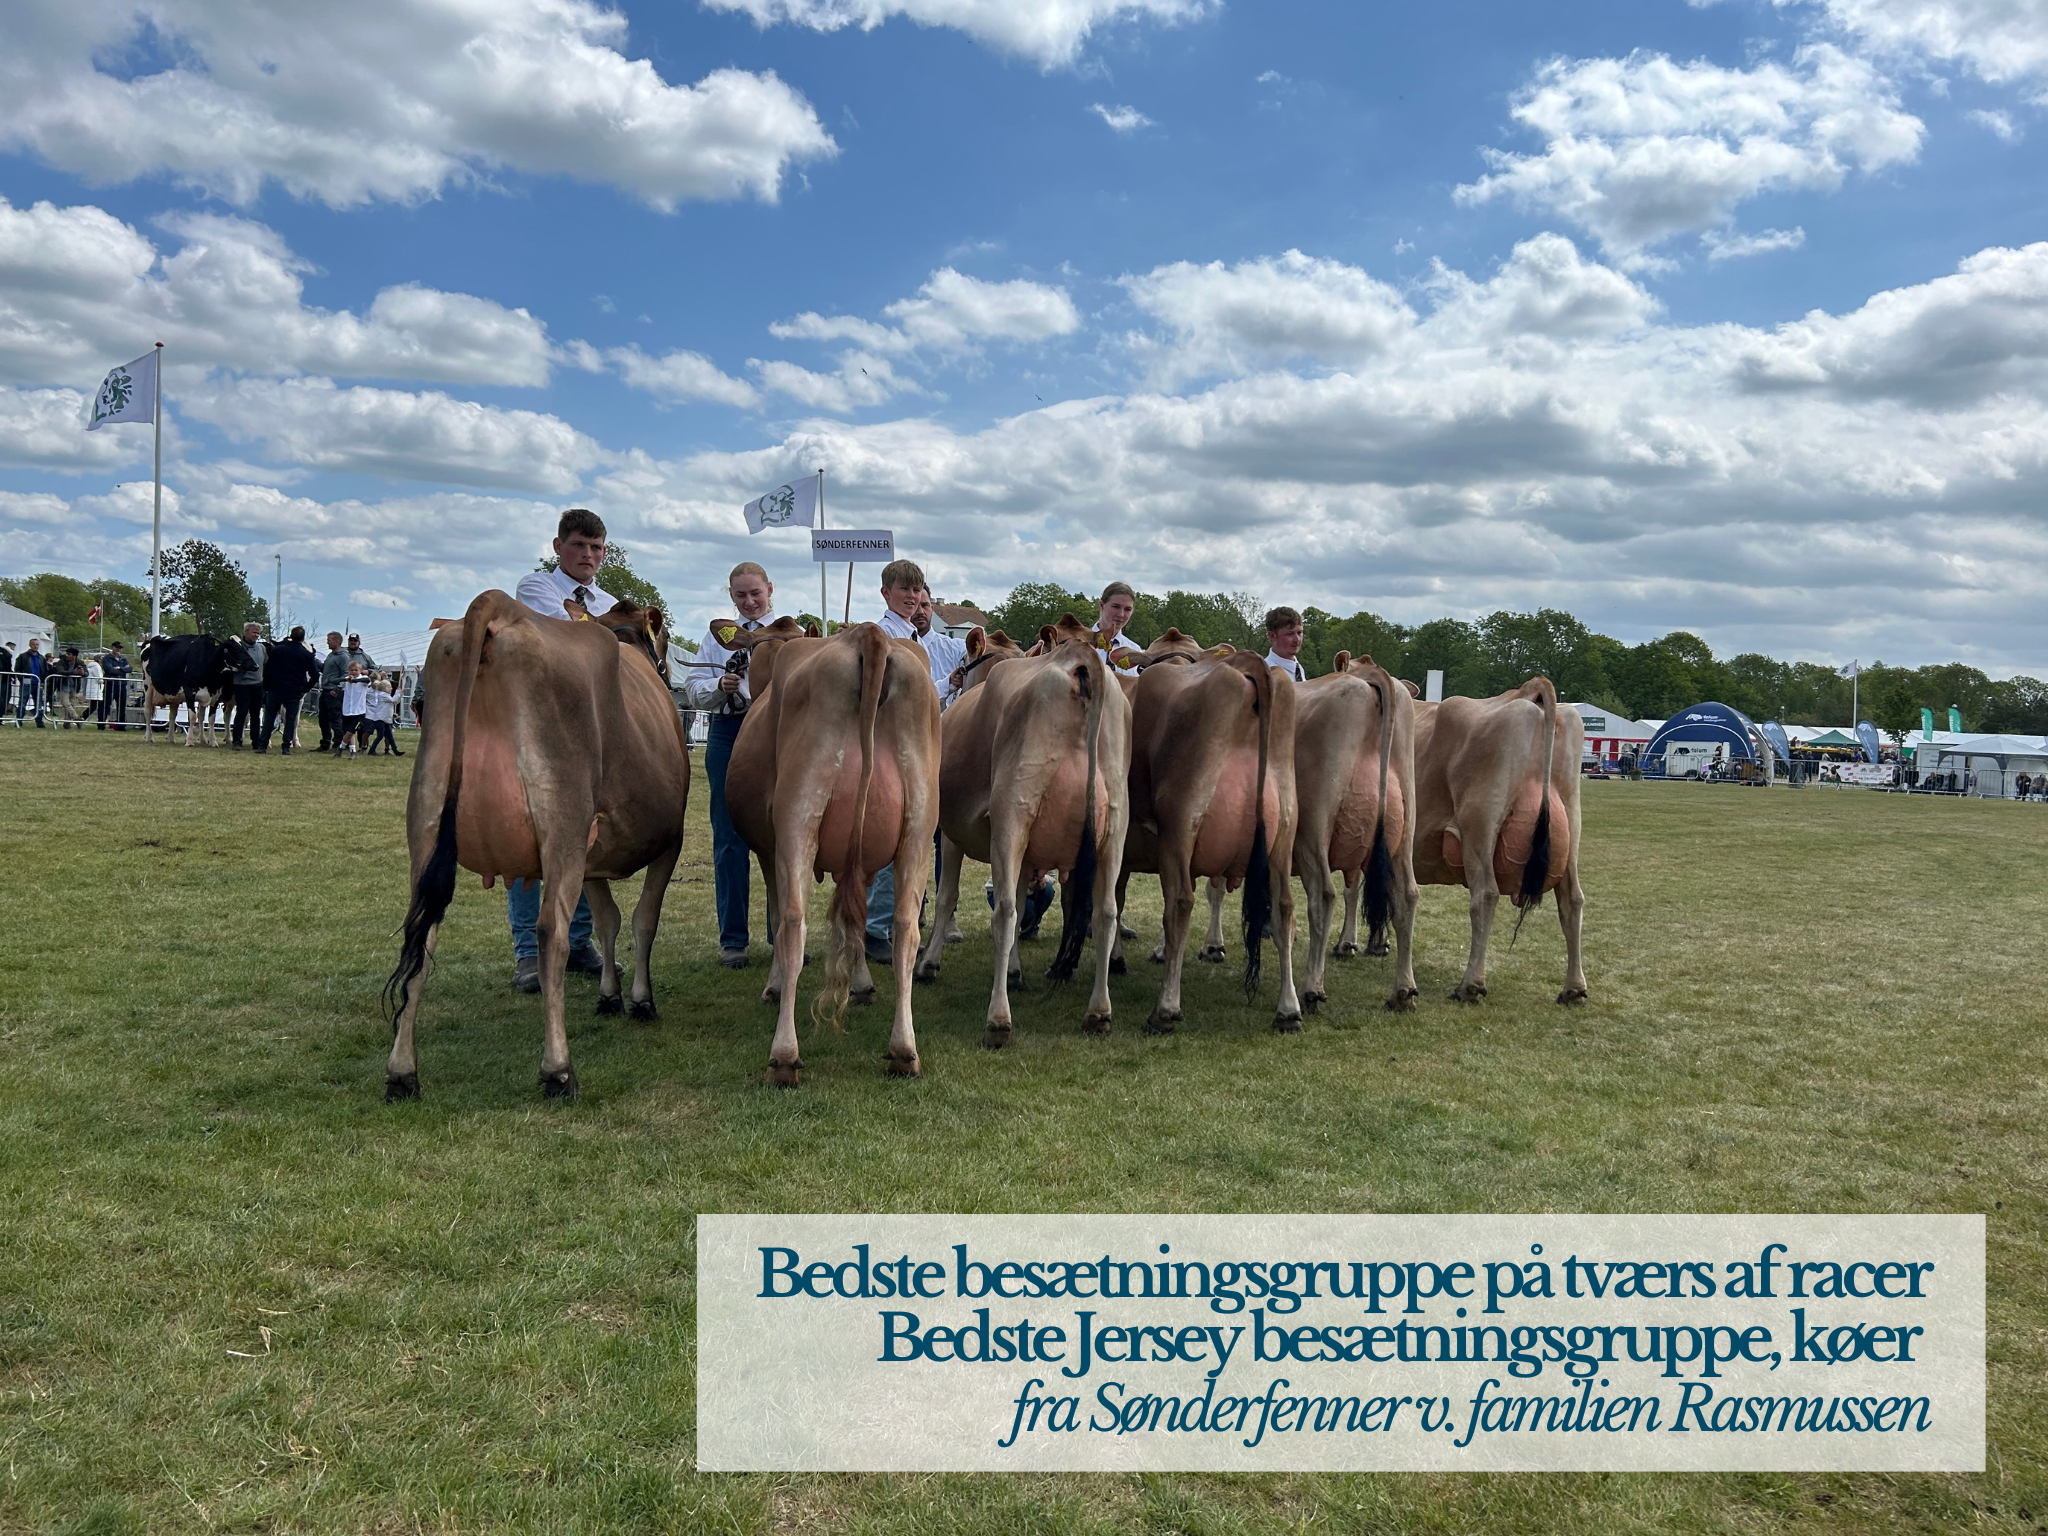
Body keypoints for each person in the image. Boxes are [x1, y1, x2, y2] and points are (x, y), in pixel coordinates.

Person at [503, 507, 613, 991]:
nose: (588, 555)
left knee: (584, 838)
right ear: (557, 548)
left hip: (587, 734)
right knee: (531, 842)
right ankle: (529, 950)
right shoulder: (536, 588)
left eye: (596, 548)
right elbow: (567, 638)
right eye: (578, 546)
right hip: (538, 730)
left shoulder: (607, 600)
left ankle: (579, 939)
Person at [863, 561, 968, 964]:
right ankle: (878, 928)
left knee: (912, 840)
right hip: (892, 746)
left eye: (917, 590)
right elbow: (900, 694)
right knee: (897, 837)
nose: (911, 597)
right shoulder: (884, 635)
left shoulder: (910, 635)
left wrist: (946, 685)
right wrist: (945, 686)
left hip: (910, 747)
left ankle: (897, 923)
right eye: (903, 589)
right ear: (885, 592)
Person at [685, 561, 779, 968]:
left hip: (775, 731)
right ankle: (733, 940)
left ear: (770, 589)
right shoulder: (716, 637)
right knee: (728, 837)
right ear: (731, 596)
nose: (750, 601)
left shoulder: (788, 633)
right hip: (727, 729)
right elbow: (692, 688)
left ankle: (785, 934)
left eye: (756, 593)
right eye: (741, 595)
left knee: (783, 834)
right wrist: (715, 687)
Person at [258, 626, 319, 755]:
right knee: (290, 719)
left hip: (275, 688)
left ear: (290, 635)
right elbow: (315, 675)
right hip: (294, 690)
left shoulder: (277, 650)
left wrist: (267, 687)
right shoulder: (306, 654)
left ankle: (262, 745)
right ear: (303, 638)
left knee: (269, 717)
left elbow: (267, 670)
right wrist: (305, 689)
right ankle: (286, 746)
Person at [229, 621, 267, 749]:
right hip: (242, 685)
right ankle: (237, 741)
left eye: (258, 633)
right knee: (241, 713)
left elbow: (266, 663)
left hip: (258, 685)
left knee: (256, 715)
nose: (256, 635)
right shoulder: (237, 648)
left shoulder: (262, 648)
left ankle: (256, 741)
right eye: (254, 632)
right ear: (246, 632)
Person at [1094, 581, 1144, 674]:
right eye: (1116, 607)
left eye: (1127, 609)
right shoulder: (1078, 645)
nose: (1121, 614)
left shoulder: (1135, 651)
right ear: (1101, 605)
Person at [317, 631, 348, 750]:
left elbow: (345, 674)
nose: (327, 642)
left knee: (335, 719)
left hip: (333, 691)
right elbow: (324, 668)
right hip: (325, 690)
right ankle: (325, 743)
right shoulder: (331, 655)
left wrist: (337, 689)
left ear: (337, 641)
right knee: (323, 719)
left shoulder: (343, 657)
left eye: (329, 640)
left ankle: (338, 743)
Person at [1263, 605, 1306, 681]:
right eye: (1290, 633)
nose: (1297, 639)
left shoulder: (1298, 669)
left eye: (1299, 633)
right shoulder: (1266, 674)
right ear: (1272, 636)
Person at [363, 674, 402, 755]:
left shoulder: (386, 696)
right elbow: (394, 700)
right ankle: (372, 750)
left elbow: (395, 701)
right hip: (380, 719)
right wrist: (398, 692)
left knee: (390, 737)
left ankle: (395, 751)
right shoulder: (383, 695)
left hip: (386, 719)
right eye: (389, 687)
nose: (391, 688)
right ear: (384, 688)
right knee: (380, 736)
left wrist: (399, 694)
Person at [99, 641, 131, 730]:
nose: (118, 649)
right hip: (110, 684)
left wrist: (119, 668)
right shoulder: (107, 658)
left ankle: (121, 725)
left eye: (120, 648)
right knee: (105, 705)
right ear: (112, 647)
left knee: (122, 706)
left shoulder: (123, 658)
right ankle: (101, 724)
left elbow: (130, 669)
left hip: (122, 685)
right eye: (117, 647)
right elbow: (109, 670)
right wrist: (122, 670)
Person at [339, 664, 369, 757]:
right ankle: (353, 751)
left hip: (358, 711)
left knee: (351, 731)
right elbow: (338, 682)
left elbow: (367, 680)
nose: (354, 672)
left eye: (356, 670)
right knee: (349, 732)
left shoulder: (363, 680)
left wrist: (355, 680)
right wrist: (347, 679)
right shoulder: (346, 680)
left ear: (360, 671)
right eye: (352, 670)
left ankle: (340, 748)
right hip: (347, 710)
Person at [16, 639, 48, 726]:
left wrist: (42, 680)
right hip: (26, 682)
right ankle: (18, 721)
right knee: (22, 702)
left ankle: (39, 722)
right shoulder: (23, 656)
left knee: (39, 703)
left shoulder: (41, 658)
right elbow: (17, 669)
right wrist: (21, 679)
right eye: (33, 644)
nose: (35, 646)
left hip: (38, 683)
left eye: (37, 644)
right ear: (30, 645)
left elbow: (45, 670)